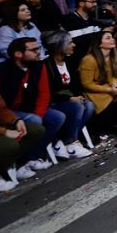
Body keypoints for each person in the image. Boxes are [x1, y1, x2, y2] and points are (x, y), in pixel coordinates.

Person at [0, 37, 59, 175]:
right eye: (33, 50)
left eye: (38, 49)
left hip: (24, 110)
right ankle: (14, 165)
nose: (38, 52)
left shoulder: (39, 66)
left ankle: (32, 157)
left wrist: (38, 114)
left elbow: (44, 93)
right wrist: (9, 123)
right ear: (18, 54)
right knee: (35, 122)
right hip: (6, 112)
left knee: (56, 118)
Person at [41, 31, 94, 159]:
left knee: (89, 105)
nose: (73, 45)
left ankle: (64, 140)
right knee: (77, 106)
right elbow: (47, 93)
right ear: (60, 46)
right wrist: (69, 98)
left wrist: (77, 96)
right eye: (70, 42)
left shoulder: (69, 62)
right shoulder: (46, 66)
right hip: (52, 103)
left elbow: (75, 85)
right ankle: (71, 143)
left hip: (66, 100)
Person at [0, 76, 44, 198]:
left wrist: (15, 120)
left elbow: (1, 107)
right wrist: (3, 132)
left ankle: (10, 168)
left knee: (35, 130)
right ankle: (1, 172)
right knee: (9, 145)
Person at [0, 0, 44, 68]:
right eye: (23, 10)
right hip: (5, 65)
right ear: (13, 13)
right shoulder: (4, 30)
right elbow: (10, 54)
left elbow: (39, 45)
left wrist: (41, 59)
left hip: (31, 61)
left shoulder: (31, 26)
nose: (28, 11)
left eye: (27, 9)